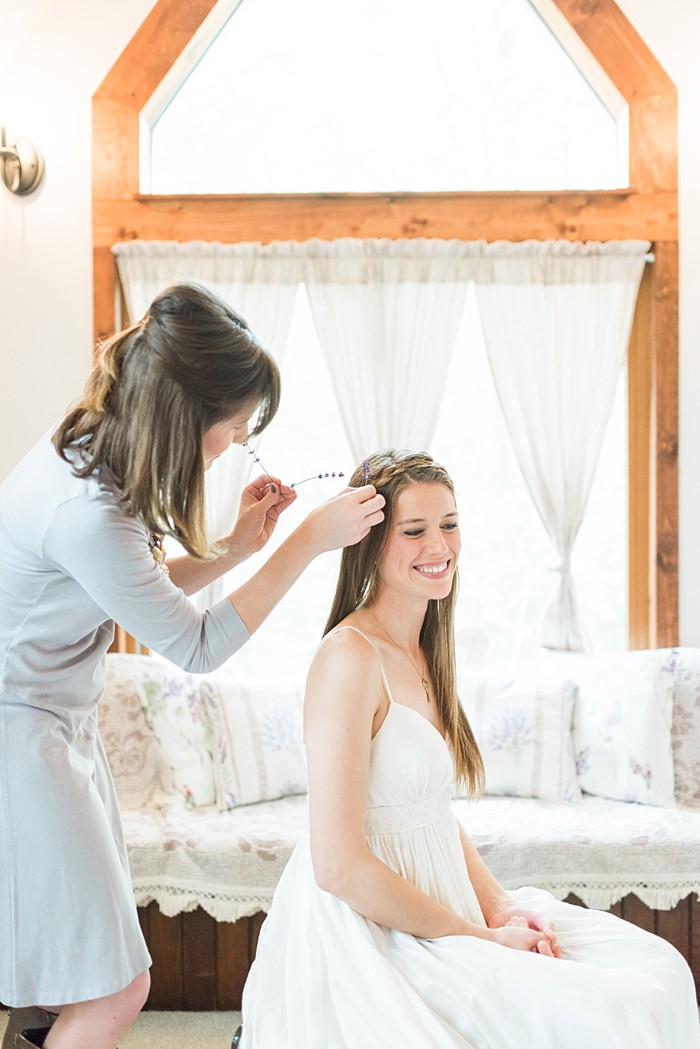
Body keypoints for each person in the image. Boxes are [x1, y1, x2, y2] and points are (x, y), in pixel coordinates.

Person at [0, 281, 385, 1049]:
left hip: (52, 727)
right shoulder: (87, 511)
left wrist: (239, 549)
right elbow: (194, 645)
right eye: (235, 424)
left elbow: (127, 595)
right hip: (20, 740)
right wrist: (309, 541)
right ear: (185, 413)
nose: (238, 442)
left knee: (62, 980)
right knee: (113, 987)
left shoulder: (88, 449)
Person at [238, 448, 700, 1048]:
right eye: (415, 530)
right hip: (370, 927)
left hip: (442, 903)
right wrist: (480, 940)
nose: (440, 547)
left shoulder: (425, 648)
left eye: (450, 524)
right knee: (589, 1013)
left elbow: (428, 811)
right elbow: (339, 867)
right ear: (370, 543)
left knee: (654, 974)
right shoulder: (349, 658)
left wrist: (501, 905)